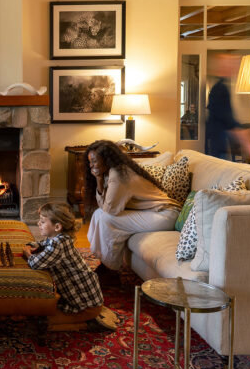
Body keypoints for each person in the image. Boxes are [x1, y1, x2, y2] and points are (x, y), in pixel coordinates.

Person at [84, 140, 180, 271]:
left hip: (165, 214)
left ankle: (110, 270)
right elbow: (104, 207)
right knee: (98, 214)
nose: (91, 165)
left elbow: (110, 210)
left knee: (107, 219)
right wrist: (99, 180)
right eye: (90, 161)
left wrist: (99, 179)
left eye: (94, 161)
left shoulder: (119, 175)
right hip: (152, 213)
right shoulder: (113, 171)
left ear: (106, 159)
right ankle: (103, 261)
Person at [23, 202, 117, 331]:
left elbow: (35, 263)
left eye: (43, 221)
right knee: (43, 315)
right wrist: (33, 245)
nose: (38, 224)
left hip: (86, 307)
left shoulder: (58, 244)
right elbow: (43, 243)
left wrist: (27, 253)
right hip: (86, 301)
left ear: (57, 227)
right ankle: (88, 317)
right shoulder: (59, 238)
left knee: (44, 322)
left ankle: (88, 324)